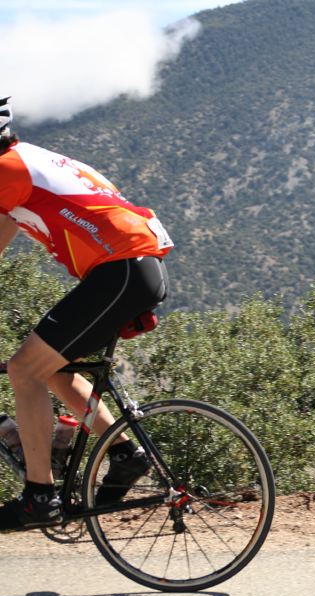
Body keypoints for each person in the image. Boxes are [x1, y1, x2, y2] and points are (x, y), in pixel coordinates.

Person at [0, 95, 174, 531]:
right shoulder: (25, 165)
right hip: (132, 271)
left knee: (24, 371)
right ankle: (122, 454)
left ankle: (39, 497)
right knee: (53, 369)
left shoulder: (7, 170)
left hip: (122, 272)